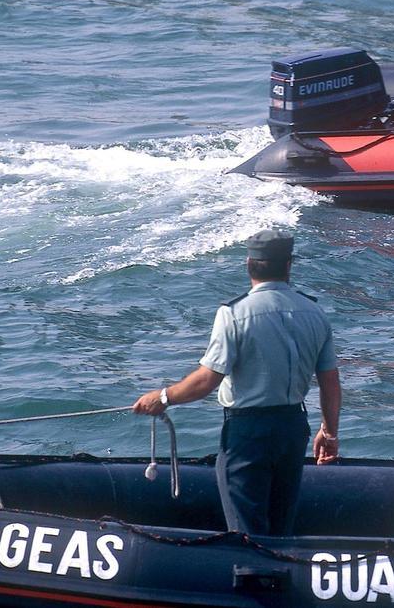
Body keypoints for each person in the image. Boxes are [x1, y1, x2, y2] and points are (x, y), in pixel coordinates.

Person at [133, 229, 341, 537]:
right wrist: (329, 432)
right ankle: (278, 580)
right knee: (281, 525)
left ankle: (252, 580)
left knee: (246, 531)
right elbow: (330, 383)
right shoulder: (315, 312)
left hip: (248, 433)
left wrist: (163, 397)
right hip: (293, 429)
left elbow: (206, 380)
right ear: (288, 265)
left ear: (249, 264)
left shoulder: (234, 314)